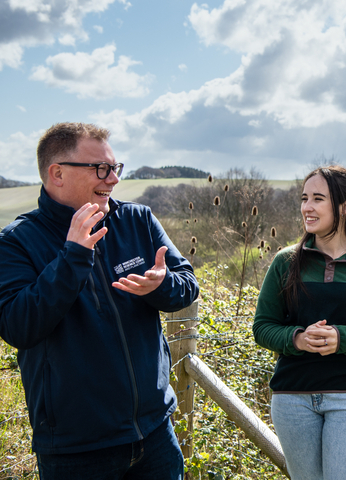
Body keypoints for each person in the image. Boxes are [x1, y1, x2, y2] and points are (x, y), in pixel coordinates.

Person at [0, 122, 199, 479]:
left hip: (155, 434)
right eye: (100, 169)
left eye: (115, 168)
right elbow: (19, 326)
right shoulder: (15, 242)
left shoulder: (137, 220)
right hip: (77, 451)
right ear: (57, 173)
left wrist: (161, 283)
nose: (113, 179)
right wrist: (73, 255)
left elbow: (187, 285)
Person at [252, 165, 346, 480]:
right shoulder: (285, 262)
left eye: (318, 199)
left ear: (344, 206)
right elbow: (263, 327)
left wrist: (343, 339)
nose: (307, 207)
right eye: (304, 198)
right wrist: (297, 339)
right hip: (292, 399)